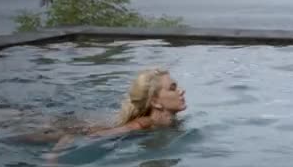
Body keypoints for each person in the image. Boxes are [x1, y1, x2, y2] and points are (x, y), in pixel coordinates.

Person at [45, 68, 187, 161]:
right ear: (155, 102)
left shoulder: (172, 121)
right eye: (173, 88)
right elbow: (87, 135)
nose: (181, 91)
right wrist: (53, 156)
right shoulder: (144, 123)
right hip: (74, 129)